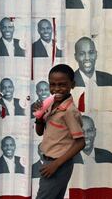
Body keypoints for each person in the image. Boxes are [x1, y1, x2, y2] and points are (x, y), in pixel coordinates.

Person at [33, 64, 85, 198]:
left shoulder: (69, 111)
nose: (56, 89)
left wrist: (55, 165)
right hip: (50, 163)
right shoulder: (51, 104)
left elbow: (80, 143)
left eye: (62, 85)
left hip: (58, 164)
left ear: (72, 85)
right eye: (53, 84)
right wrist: (39, 115)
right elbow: (39, 132)